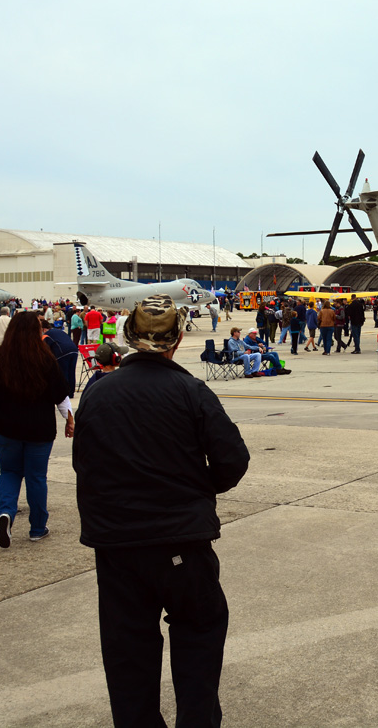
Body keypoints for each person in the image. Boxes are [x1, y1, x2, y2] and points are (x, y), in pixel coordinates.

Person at [73, 294, 250, 728]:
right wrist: (196, 493)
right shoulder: (190, 390)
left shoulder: (97, 393)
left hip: (117, 544)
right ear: (177, 340)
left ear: (130, 338)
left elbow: (84, 463)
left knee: (127, 648)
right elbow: (233, 459)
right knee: (199, 634)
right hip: (181, 542)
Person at [0, 311, 72, 546]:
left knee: (10, 472)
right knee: (36, 477)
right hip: (39, 428)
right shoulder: (45, 357)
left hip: (6, 427)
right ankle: (37, 527)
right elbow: (60, 395)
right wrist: (69, 419)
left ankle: (5, 513)